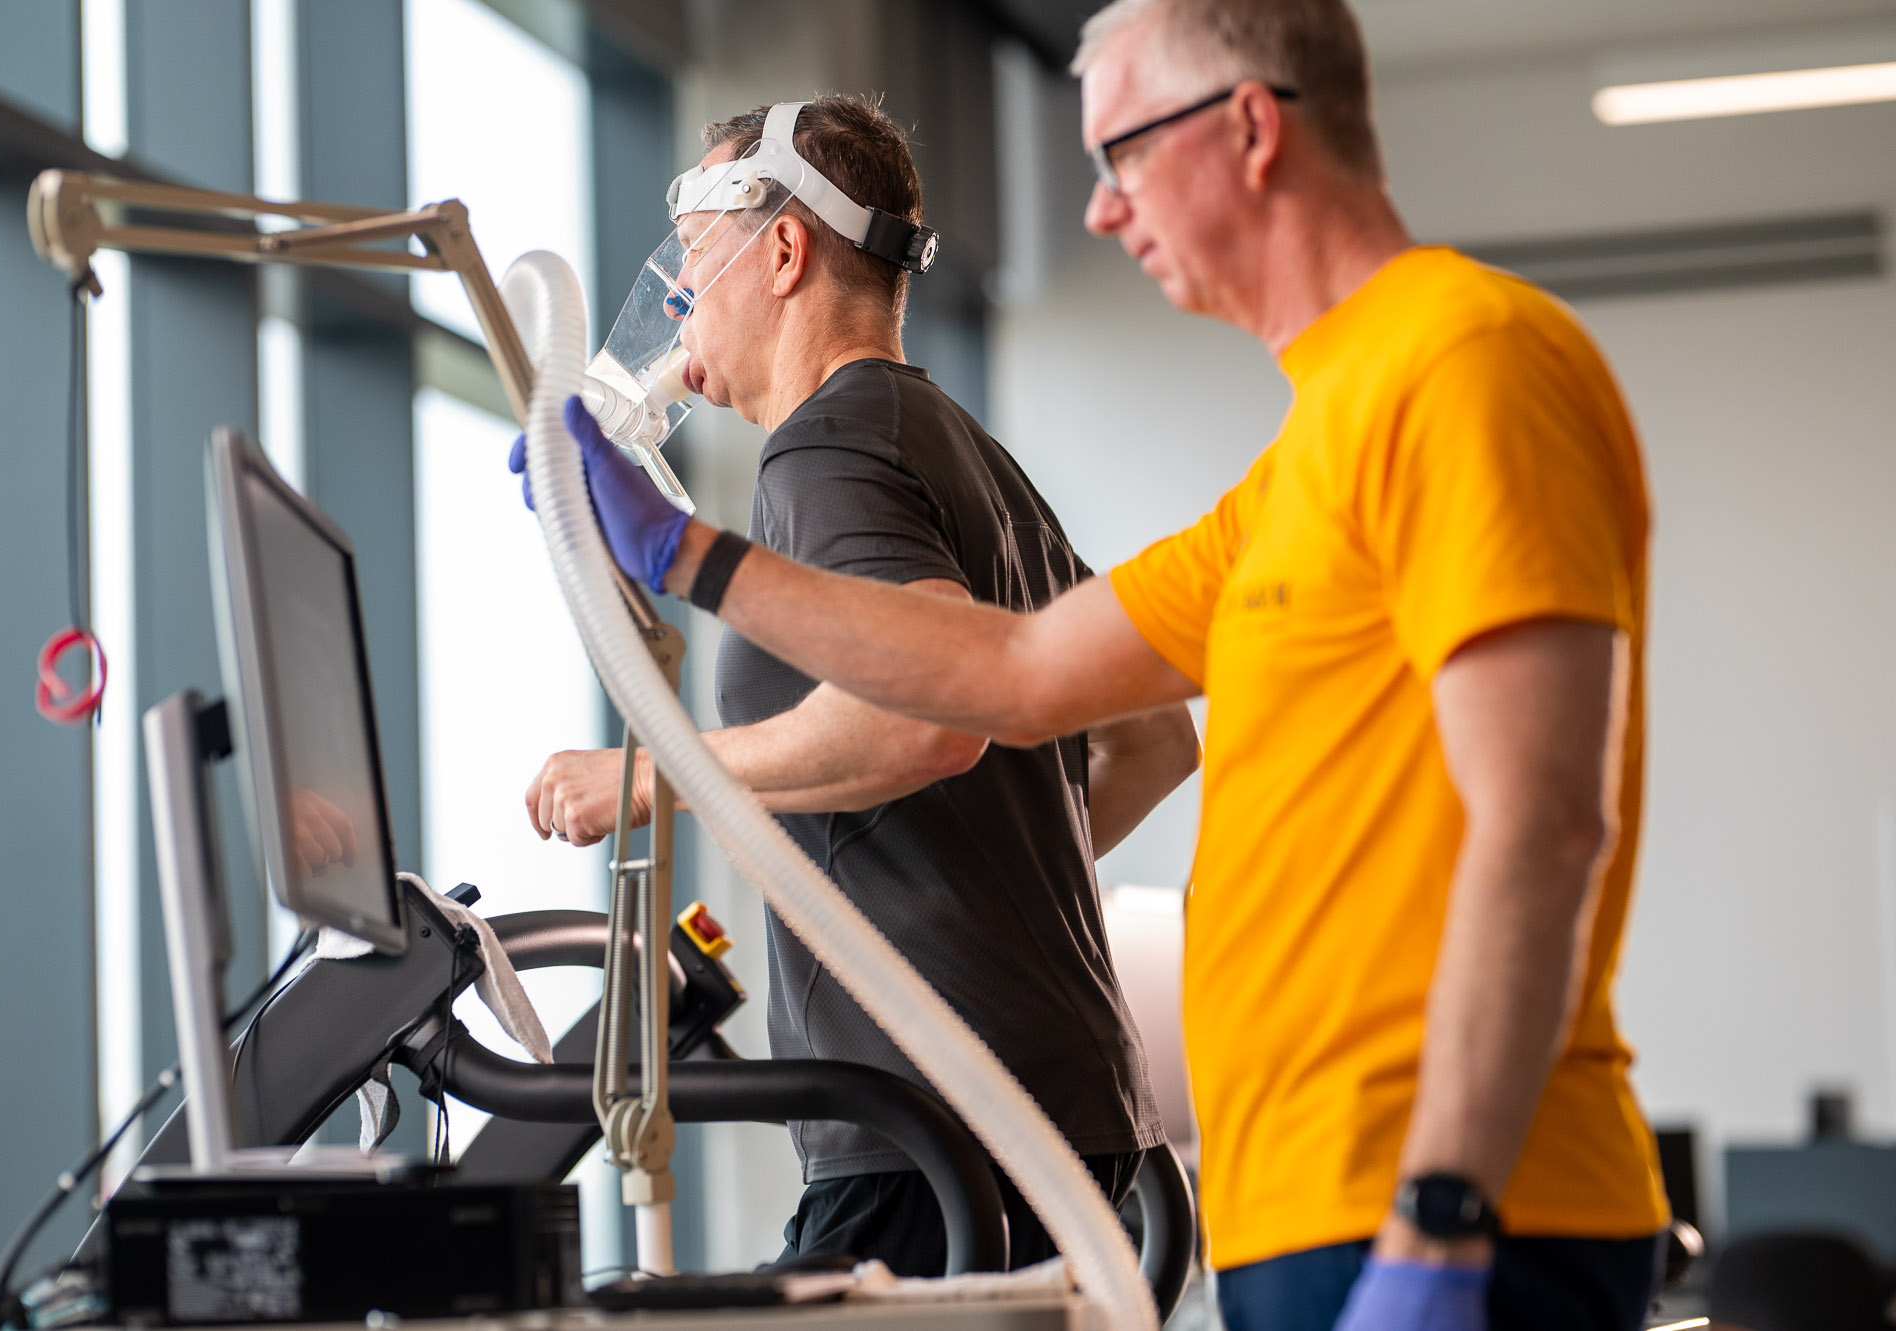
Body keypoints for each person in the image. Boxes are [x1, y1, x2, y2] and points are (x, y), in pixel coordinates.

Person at [553, 2, 1673, 1327]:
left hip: (1455, 1209)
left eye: (1123, 152)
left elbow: (1543, 819)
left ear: (1251, 129)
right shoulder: (1297, 465)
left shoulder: (1465, 366)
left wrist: (1443, 1208)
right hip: (1291, 1199)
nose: (1098, 210)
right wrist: (683, 550)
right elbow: (1016, 671)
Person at [516, 96, 1195, 1275]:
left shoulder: (823, 444)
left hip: (931, 1124)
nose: (676, 299)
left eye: (692, 258)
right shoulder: (961, 448)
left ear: (781, 253)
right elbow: (1152, 737)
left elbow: (921, 720)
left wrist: (644, 779)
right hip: (1061, 1105)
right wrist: (978, 877)